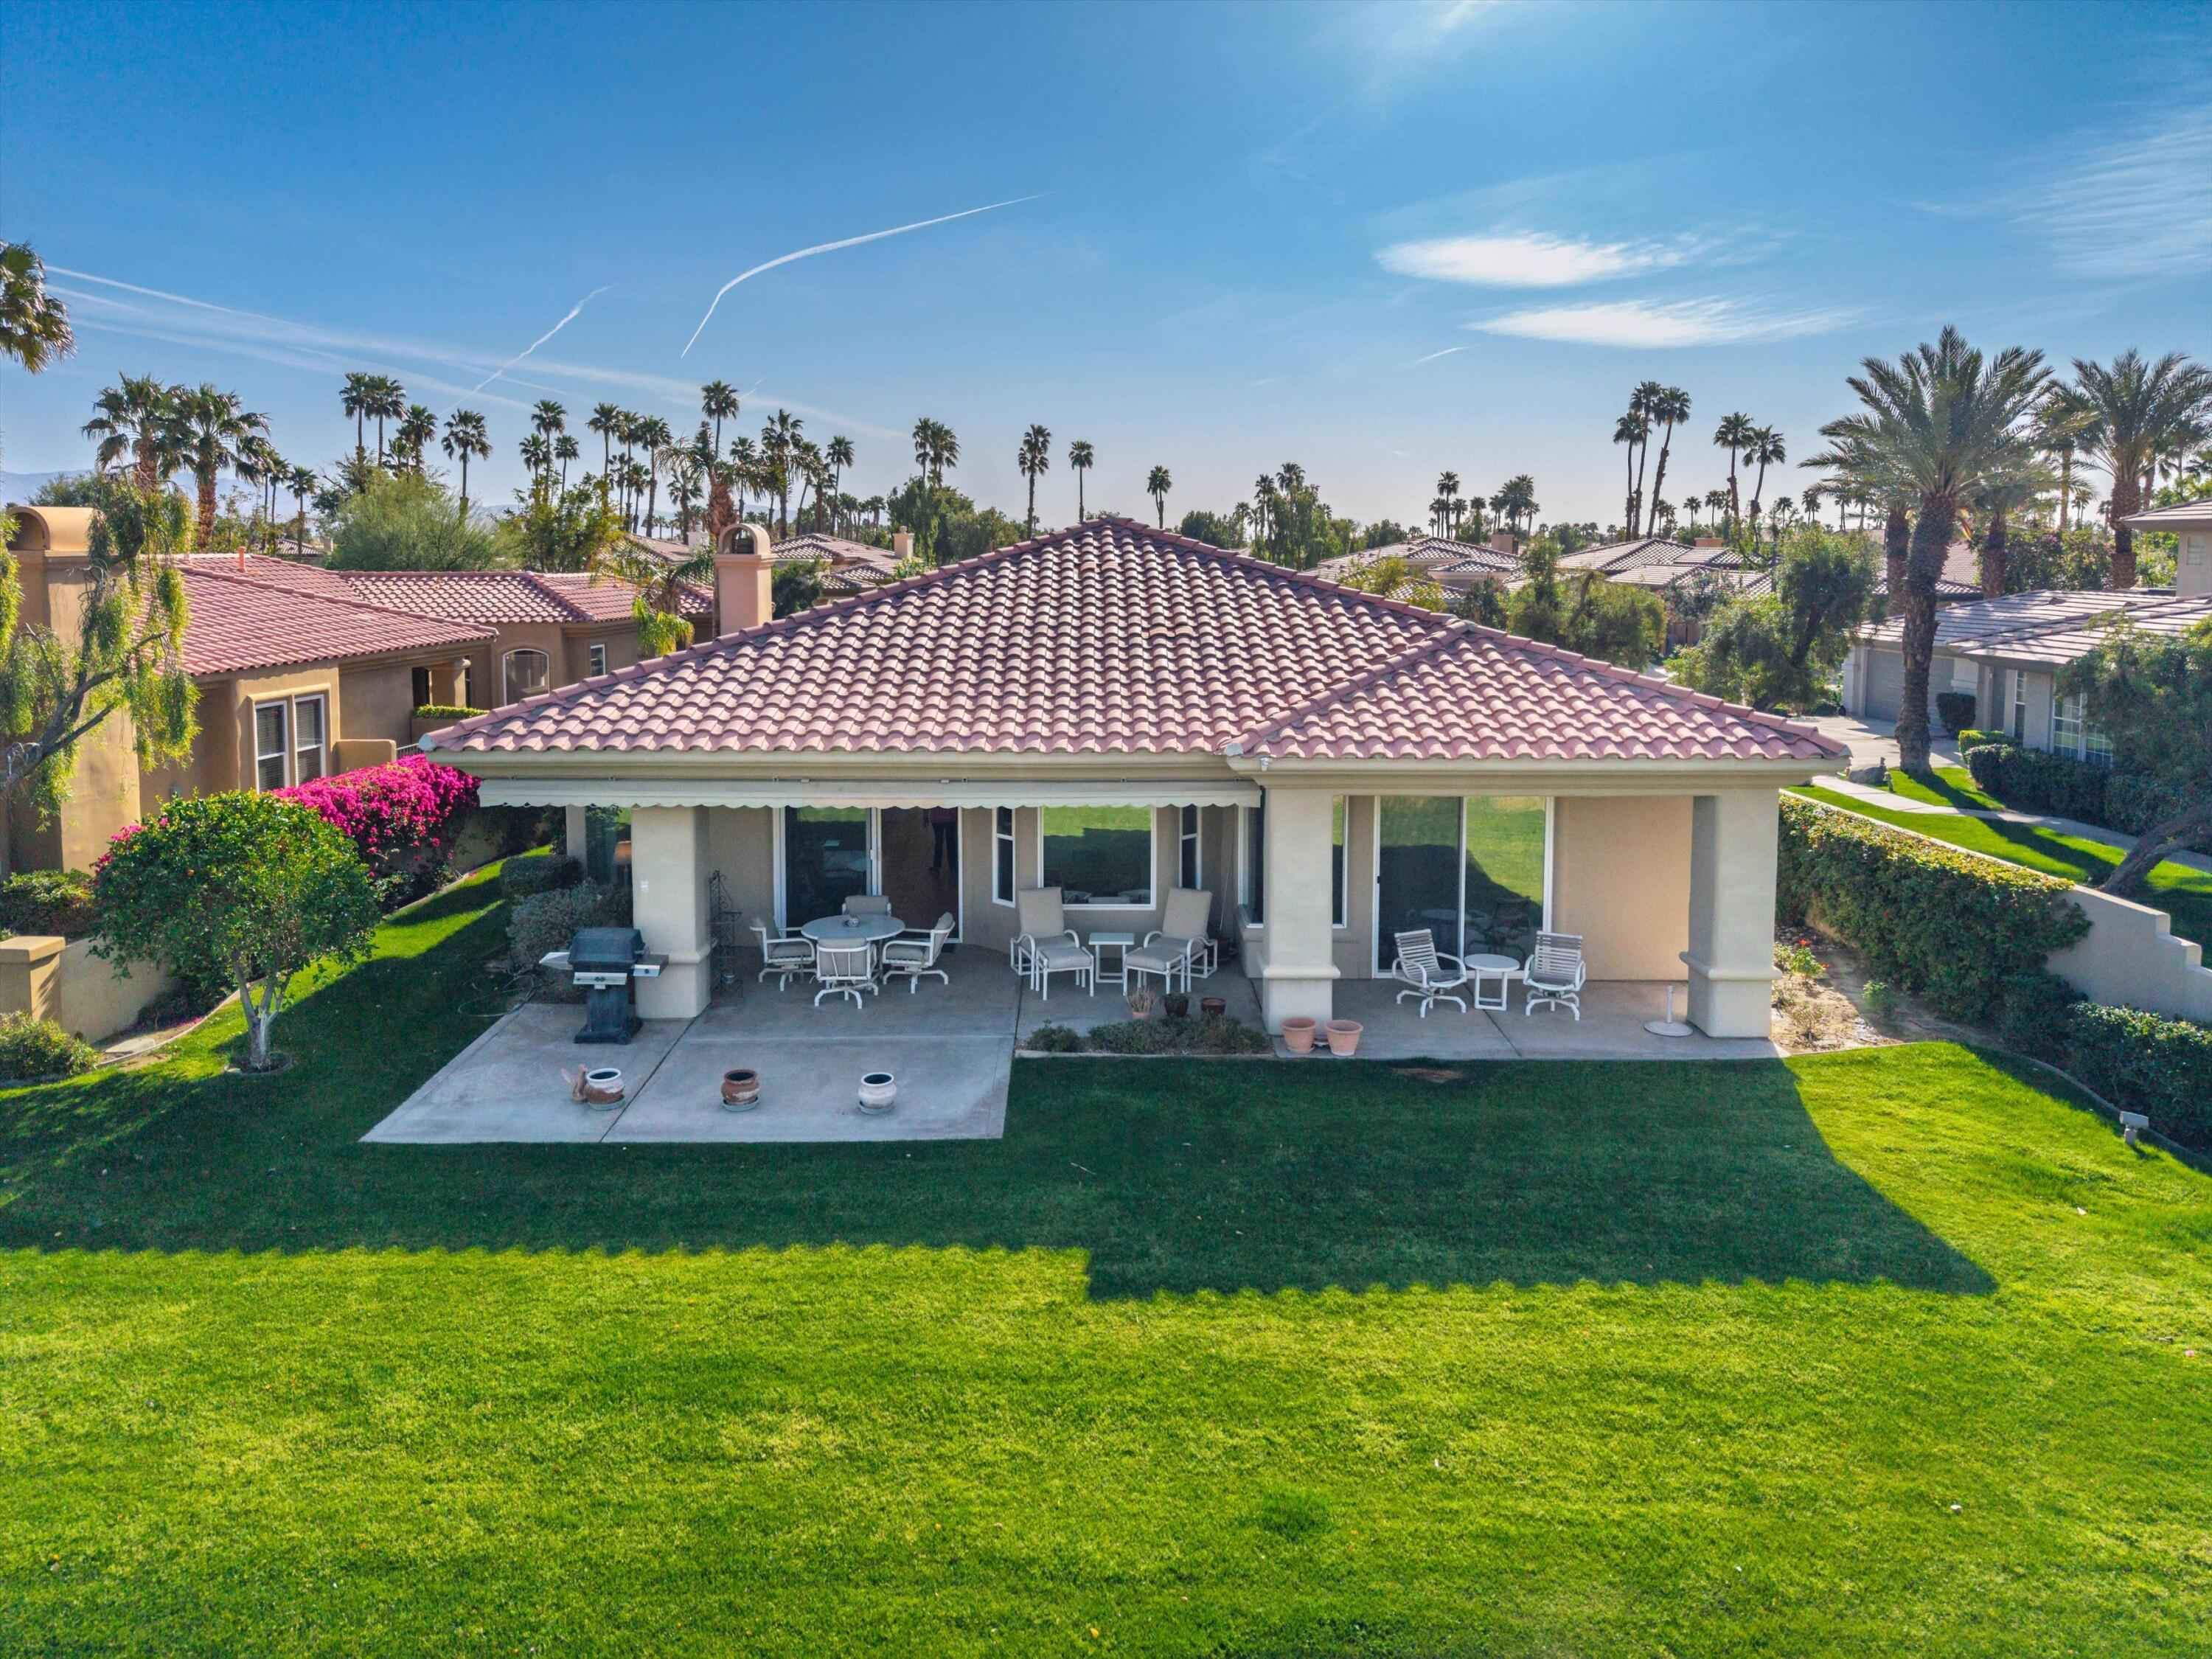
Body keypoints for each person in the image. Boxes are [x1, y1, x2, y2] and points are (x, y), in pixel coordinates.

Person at [927, 805, 958, 872]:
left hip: (937, 817)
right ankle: (953, 865)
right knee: (951, 841)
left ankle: (937, 865)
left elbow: (927, 802)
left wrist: (925, 815)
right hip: (951, 817)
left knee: (939, 842)